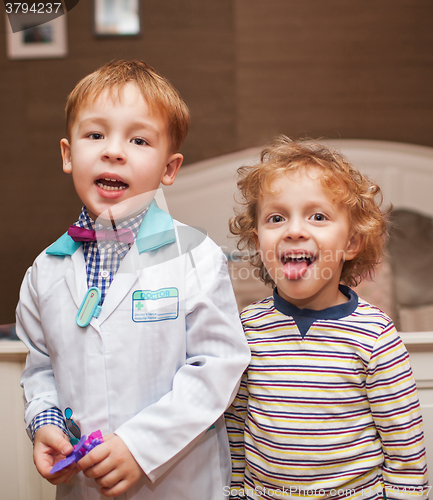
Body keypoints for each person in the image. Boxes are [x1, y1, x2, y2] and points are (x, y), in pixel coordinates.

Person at [16, 60, 251, 500]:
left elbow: (217, 368)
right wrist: (44, 423)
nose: (113, 151)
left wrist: (142, 447)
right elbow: (41, 367)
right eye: (95, 135)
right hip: (83, 484)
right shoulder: (44, 271)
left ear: (169, 168)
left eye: (139, 139)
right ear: (68, 154)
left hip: (179, 484)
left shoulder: (196, 256)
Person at [225, 136, 429, 499]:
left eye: (317, 216)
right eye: (276, 217)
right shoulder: (246, 329)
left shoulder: (375, 336)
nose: (295, 230)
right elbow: (236, 430)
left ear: (351, 243)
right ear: (258, 242)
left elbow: (404, 453)